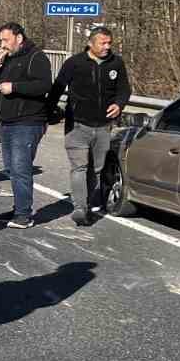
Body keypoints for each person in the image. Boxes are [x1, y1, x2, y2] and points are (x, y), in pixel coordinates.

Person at [49, 25, 132, 225]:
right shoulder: (74, 63)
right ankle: (80, 208)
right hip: (77, 125)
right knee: (79, 167)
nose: (106, 47)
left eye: (109, 43)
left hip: (103, 126)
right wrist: (47, 114)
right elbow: (57, 89)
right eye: (102, 43)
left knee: (95, 169)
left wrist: (119, 105)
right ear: (90, 44)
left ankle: (86, 201)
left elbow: (124, 89)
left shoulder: (116, 63)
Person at [0, 22, 55, 228]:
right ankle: (19, 207)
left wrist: (15, 87)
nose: (3, 45)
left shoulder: (36, 57)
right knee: (11, 168)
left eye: (6, 40)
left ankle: (24, 215)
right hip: (8, 122)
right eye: (0, 40)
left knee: (20, 168)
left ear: (19, 38)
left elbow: (44, 85)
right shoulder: (8, 57)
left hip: (28, 121)